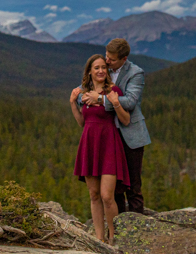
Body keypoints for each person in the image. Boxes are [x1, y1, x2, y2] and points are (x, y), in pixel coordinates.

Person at [79, 38, 151, 215]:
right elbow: (89, 86)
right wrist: (81, 96)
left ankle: (137, 230)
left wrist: (100, 99)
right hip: (109, 136)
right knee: (114, 186)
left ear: (124, 59)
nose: (107, 61)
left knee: (133, 186)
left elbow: (131, 101)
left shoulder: (136, 73)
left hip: (131, 136)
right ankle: (117, 227)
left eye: (111, 59)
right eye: (106, 56)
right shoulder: (106, 70)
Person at [70, 54, 131, 244]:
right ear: (89, 71)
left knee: (107, 196)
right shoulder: (84, 93)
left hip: (109, 144)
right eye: (96, 68)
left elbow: (126, 119)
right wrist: (73, 102)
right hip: (89, 143)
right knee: (94, 195)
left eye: (103, 67)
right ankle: (99, 238)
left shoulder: (114, 91)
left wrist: (114, 102)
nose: (101, 71)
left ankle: (113, 237)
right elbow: (82, 122)